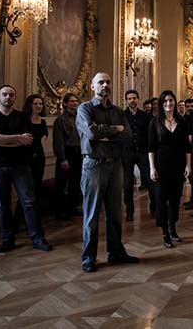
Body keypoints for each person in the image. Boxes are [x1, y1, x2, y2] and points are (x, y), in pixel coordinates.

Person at [76, 72, 138, 273]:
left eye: (108, 82)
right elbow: (91, 132)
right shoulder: (84, 108)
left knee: (115, 213)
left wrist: (107, 132)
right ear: (92, 86)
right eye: (100, 82)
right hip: (94, 164)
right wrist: (115, 130)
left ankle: (115, 252)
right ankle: (89, 257)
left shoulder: (118, 111)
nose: (105, 85)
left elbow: (127, 135)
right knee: (92, 214)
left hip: (115, 164)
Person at [0, 85, 53, 253]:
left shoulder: (22, 118)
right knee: (2, 205)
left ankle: (38, 238)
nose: (8, 97)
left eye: (11, 95)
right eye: (4, 94)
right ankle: (7, 240)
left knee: (29, 202)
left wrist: (3, 139)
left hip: (20, 165)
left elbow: (28, 140)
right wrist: (17, 138)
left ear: (14, 98)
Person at [149, 90, 191, 248]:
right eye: (165, 101)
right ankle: (165, 232)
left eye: (171, 100)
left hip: (178, 166)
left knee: (175, 199)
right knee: (161, 199)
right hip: (161, 166)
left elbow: (187, 147)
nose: (168, 103)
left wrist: (188, 165)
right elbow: (151, 148)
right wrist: (152, 167)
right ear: (161, 103)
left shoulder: (182, 122)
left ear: (175, 102)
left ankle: (173, 228)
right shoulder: (155, 122)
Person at [13, 94, 49, 231]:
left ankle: (33, 223)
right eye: (36, 104)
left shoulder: (42, 122)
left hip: (39, 158)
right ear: (30, 105)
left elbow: (44, 137)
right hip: (25, 158)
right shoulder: (23, 120)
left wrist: (37, 147)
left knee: (36, 189)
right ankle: (17, 222)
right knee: (26, 190)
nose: (39, 106)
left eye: (40, 104)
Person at [121, 89, 152, 221]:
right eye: (129, 98)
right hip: (127, 153)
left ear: (138, 99)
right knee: (128, 184)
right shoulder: (122, 116)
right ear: (126, 100)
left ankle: (154, 207)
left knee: (150, 180)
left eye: (134, 98)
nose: (132, 100)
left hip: (142, 152)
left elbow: (149, 135)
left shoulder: (145, 116)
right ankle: (129, 211)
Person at [52, 93, 82, 220]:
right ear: (65, 103)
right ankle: (59, 211)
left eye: (76, 101)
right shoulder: (61, 120)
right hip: (67, 152)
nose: (74, 103)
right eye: (71, 101)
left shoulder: (80, 117)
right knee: (61, 183)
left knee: (75, 182)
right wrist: (62, 158)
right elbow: (58, 141)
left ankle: (72, 208)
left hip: (78, 152)